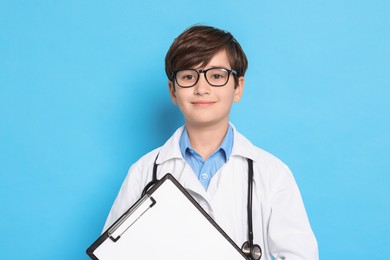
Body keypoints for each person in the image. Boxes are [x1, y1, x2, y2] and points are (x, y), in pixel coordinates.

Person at [103, 25, 318, 260]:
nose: (202, 88)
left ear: (238, 88)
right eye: (188, 76)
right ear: (173, 91)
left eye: (216, 75)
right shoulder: (143, 172)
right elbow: (113, 253)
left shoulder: (272, 174)